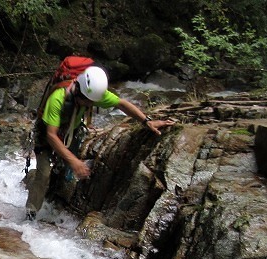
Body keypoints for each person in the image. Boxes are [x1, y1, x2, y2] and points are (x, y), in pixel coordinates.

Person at [25, 65, 175, 214]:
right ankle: (30, 214)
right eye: (88, 102)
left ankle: (55, 202)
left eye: (92, 102)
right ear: (78, 92)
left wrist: (147, 121)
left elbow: (122, 104)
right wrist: (74, 160)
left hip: (70, 132)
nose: (91, 105)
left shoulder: (92, 95)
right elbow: (51, 135)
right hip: (46, 135)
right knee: (43, 174)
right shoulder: (58, 98)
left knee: (67, 172)